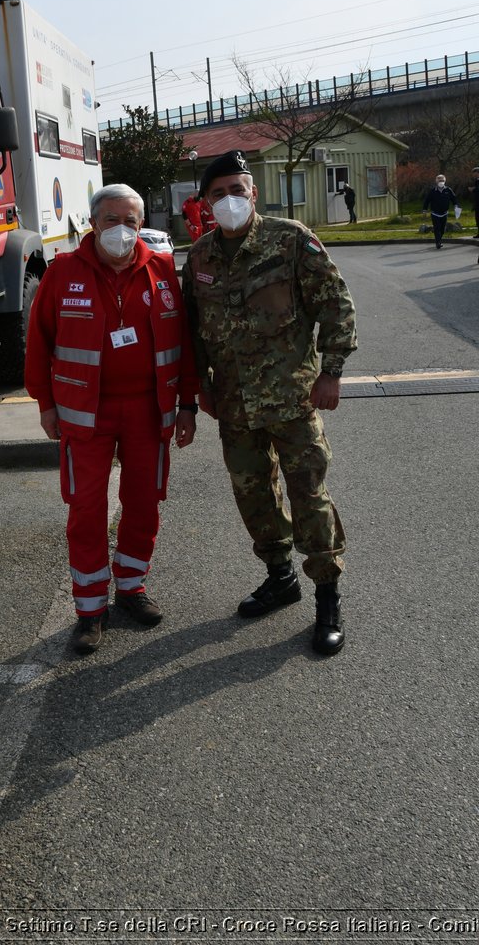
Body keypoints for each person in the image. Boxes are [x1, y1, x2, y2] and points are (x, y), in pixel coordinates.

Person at [182, 150, 357, 656]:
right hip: (234, 407)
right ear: (204, 203)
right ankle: (280, 577)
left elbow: (335, 303)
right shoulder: (200, 259)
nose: (230, 200)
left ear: (253, 192)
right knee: (252, 495)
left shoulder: (290, 239)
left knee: (309, 495)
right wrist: (201, 388)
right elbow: (191, 331)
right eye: (219, 194)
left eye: (238, 190)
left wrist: (332, 372)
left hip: (293, 400)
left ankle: (327, 595)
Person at [25, 183, 198, 654]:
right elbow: (38, 343)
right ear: (93, 223)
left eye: (130, 221)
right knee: (86, 509)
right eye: (111, 220)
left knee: (144, 502)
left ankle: (131, 588)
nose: (121, 230)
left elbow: (183, 343)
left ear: (141, 225)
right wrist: (44, 404)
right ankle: (89, 608)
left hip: (149, 410)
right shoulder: (63, 272)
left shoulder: (162, 269)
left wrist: (187, 405)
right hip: (85, 415)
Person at [422, 173, 457, 249]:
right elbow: (427, 200)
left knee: (442, 229)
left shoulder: (448, 190)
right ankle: (438, 242)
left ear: (445, 181)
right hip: (435, 213)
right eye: (439, 180)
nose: (441, 181)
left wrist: (456, 205)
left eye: (442, 180)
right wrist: (424, 209)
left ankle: (439, 239)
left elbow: (454, 198)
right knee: (437, 228)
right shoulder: (432, 191)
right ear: (436, 181)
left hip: (444, 213)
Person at [469, 166, 479, 240]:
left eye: (475, 173)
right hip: (477, 203)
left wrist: (473, 189)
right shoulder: (477, 181)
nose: (473, 175)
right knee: (477, 218)